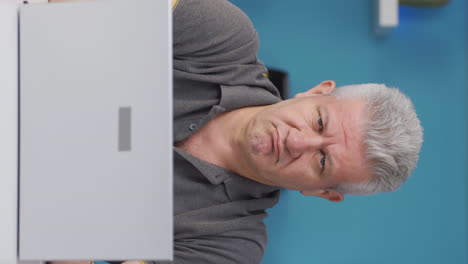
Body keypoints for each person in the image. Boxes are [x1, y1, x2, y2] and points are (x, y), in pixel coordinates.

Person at [49, 0, 423, 263]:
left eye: (321, 160)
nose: (297, 141)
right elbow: (76, 5)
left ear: (320, 192)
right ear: (316, 92)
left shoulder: (232, 247)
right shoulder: (224, 33)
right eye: (319, 122)